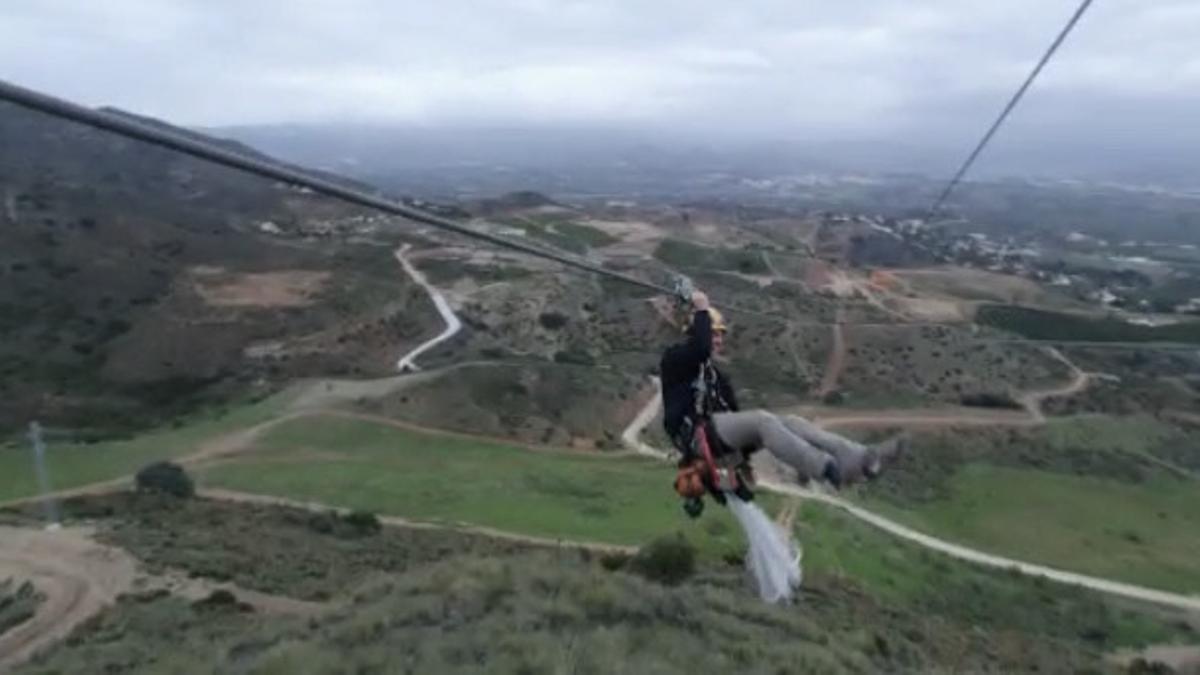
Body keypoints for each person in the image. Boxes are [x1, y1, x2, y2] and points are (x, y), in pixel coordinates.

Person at [660, 290, 904, 491]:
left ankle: (859, 458)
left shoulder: (715, 376)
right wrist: (702, 308)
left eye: (720, 336)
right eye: (713, 334)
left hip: (716, 438)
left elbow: (733, 416)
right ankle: (826, 468)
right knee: (762, 421)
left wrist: (741, 465)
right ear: (695, 332)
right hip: (695, 437)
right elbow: (699, 350)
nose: (718, 341)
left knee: (792, 422)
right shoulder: (675, 358)